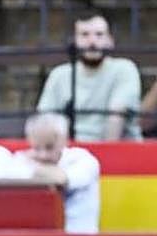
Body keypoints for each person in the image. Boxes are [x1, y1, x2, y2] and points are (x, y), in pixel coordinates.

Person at [37, 9, 142, 141]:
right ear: (74, 41)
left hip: (116, 148)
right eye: (84, 35)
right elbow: (46, 121)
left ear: (110, 40)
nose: (92, 42)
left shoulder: (124, 69)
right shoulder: (59, 75)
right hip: (70, 149)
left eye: (99, 34)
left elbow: (117, 116)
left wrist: (106, 151)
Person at [13, 112, 101, 234]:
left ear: (65, 140)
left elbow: (62, 179)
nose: (43, 155)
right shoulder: (22, 159)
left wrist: (30, 165)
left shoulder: (84, 160)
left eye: (49, 147)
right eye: (36, 148)